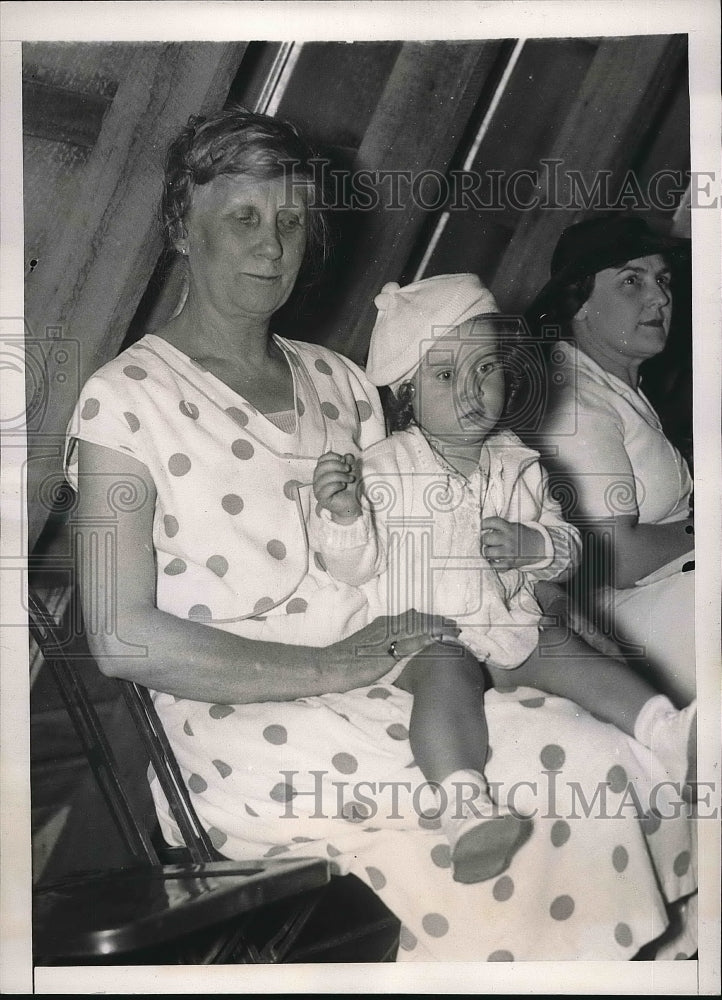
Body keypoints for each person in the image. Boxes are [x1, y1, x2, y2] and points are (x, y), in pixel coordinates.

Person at [64, 108, 697, 961]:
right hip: (243, 721)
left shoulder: (345, 384)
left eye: (291, 222)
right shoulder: (121, 401)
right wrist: (336, 663)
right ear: (184, 226)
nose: (270, 244)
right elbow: (117, 637)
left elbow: (427, 539)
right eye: (244, 218)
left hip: (405, 677)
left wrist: (547, 607)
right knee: (527, 819)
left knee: (598, 760)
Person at [311, 274, 697, 885]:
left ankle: (669, 732)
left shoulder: (518, 462)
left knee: (569, 650)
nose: (471, 390)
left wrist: (534, 544)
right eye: (445, 375)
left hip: (509, 624)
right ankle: (464, 806)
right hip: (426, 635)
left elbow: (568, 553)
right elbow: (351, 566)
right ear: (408, 394)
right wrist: (345, 515)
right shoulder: (383, 469)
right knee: (446, 674)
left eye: (485, 368)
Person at [525, 215, 695, 706]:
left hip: (662, 588)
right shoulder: (573, 398)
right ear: (579, 304)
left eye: (662, 279)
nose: (660, 297)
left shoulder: (611, 382)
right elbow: (615, 556)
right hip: (618, 619)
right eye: (630, 281)